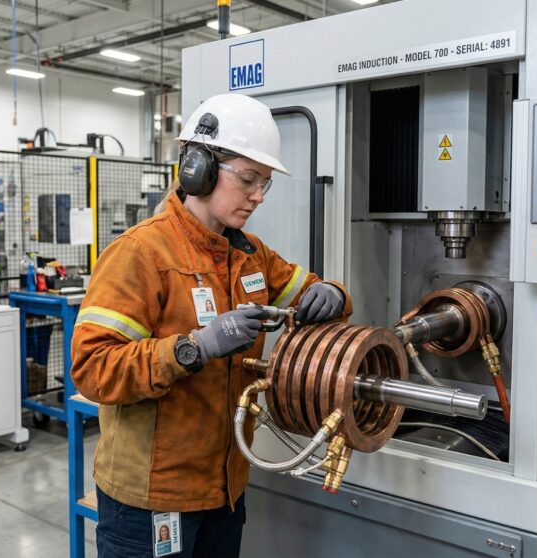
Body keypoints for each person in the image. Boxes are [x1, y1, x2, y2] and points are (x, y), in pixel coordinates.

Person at [71, 92, 352, 557]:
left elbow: (311, 293)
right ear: (196, 168)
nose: (258, 196)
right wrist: (194, 348)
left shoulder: (249, 255)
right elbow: (94, 369)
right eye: (248, 179)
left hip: (224, 490)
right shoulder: (141, 253)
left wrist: (335, 293)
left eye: (264, 183)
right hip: (151, 499)